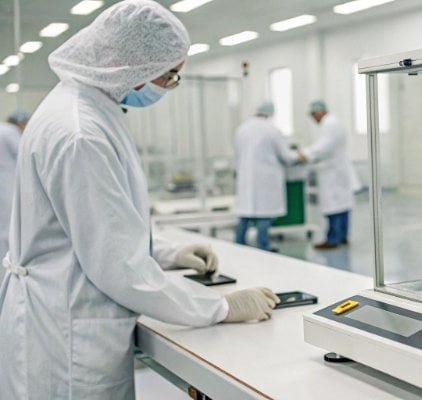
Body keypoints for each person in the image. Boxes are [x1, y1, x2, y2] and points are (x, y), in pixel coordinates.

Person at [0, 2, 279, 399]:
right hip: (67, 332)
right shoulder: (81, 133)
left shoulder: (91, 109)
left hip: (66, 310)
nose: (168, 86)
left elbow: (97, 224)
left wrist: (168, 252)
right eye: (168, 76)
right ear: (125, 65)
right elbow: (116, 264)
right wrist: (219, 308)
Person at [233, 101, 300, 251]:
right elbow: (286, 155)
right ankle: (263, 246)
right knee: (265, 213)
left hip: (246, 177)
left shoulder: (242, 129)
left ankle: (238, 245)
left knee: (244, 212)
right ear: (271, 113)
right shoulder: (272, 130)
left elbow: (236, 155)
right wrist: (300, 156)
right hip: (266, 179)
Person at [300, 101, 355, 250]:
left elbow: (324, 145)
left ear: (320, 111)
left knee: (333, 206)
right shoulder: (333, 122)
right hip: (337, 170)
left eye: (313, 114)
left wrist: (305, 154)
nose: (313, 118)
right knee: (342, 205)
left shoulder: (329, 124)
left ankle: (333, 239)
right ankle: (342, 237)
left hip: (332, 172)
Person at [0, 111, 28, 259]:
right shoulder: (10, 131)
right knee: (10, 231)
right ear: (21, 123)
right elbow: (25, 154)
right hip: (8, 189)